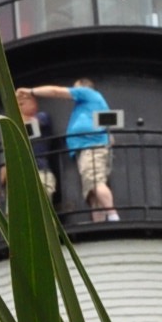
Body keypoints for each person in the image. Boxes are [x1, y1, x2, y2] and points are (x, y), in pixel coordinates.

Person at [32, 77, 118, 221]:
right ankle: (99, 223)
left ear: (82, 87)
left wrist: (31, 91)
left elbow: (55, 91)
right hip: (88, 149)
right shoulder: (93, 103)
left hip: (90, 148)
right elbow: (107, 128)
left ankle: (113, 215)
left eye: (75, 88)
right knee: (91, 192)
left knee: (95, 182)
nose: (73, 92)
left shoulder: (86, 93)